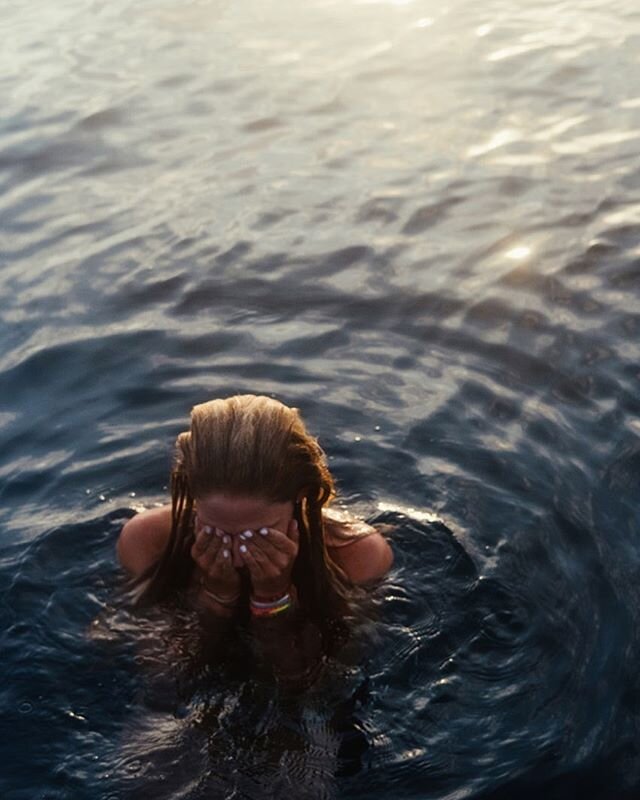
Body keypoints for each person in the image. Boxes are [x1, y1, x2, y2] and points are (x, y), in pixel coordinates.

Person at [117, 394, 393, 684]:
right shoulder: (146, 540)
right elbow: (161, 680)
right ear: (192, 491)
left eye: (257, 535)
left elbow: (319, 687)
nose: (237, 555)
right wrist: (215, 598)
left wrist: (273, 601)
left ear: (300, 495)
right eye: (216, 532)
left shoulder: (359, 554)